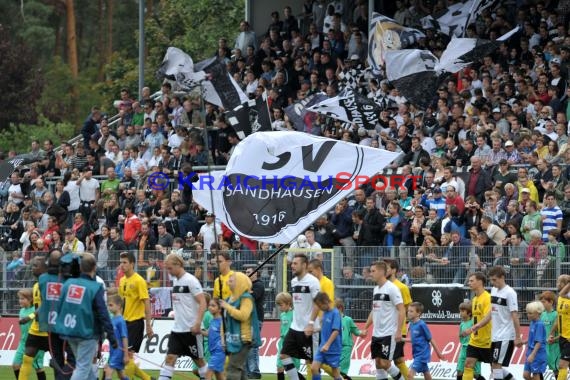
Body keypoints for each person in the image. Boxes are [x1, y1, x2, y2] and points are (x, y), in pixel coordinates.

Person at [54, 253, 117, 380]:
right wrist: (111, 336)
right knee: (82, 367)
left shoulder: (68, 283)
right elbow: (103, 313)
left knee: (85, 366)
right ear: (94, 267)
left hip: (69, 330)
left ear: (81, 267)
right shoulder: (95, 287)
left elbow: (59, 306)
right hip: (87, 332)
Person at [158, 253, 208, 380]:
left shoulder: (191, 280)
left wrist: (197, 323)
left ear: (178, 265)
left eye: (170, 268)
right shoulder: (175, 281)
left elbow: (203, 302)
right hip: (177, 330)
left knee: (199, 361)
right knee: (169, 358)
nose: (168, 271)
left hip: (191, 331)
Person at [280, 254, 320, 380]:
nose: (292, 266)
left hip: (309, 329)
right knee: (284, 355)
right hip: (295, 328)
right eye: (292, 263)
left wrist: (311, 323)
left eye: (295, 263)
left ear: (304, 265)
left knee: (313, 365)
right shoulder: (293, 281)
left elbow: (317, 303)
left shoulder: (313, 281)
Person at [364, 261, 405, 380]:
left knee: (385, 364)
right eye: (370, 271)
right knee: (378, 364)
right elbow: (374, 310)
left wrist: (398, 331)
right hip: (376, 333)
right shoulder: (376, 289)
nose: (370, 274)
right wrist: (366, 328)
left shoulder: (392, 288)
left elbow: (401, 310)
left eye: (373, 271)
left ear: (382, 272)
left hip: (389, 333)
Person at [220, 272, 262, 380]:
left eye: (232, 279)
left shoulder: (246, 298)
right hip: (233, 339)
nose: (228, 281)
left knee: (233, 368)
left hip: (244, 339)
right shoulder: (229, 299)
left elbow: (243, 316)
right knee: (241, 370)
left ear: (240, 282)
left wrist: (228, 307)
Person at [487, 266, 522, 380]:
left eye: (494, 280)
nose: (492, 283)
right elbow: (491, 312)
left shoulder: (510, 293)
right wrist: (477, 326)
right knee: (494, 365)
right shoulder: (493, 290)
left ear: (502, 277)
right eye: (491, 280)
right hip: (494, 335)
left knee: (496, 365)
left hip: (505, 335)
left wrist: (517, 337)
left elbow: (514, 316)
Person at [17, 256, 49, 380]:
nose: (32, 268)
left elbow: (46, 305)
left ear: (44, 268)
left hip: (49, 329)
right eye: (32, 266)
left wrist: (28, 317)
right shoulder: (36, 286)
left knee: (59, 362)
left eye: (35, 266)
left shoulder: (46, 284)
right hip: (36, 329)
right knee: (26, 358)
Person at [118, 251, 153, 354]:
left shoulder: (139, 281)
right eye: (121, 262)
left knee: (129, 356)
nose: (122, 265)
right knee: (124, 357)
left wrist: (148, 325)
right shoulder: (122, 280)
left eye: (125, 262)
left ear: (132, 264)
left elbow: (146, 302)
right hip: (124, 322)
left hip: (135, 324)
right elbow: (121, 303)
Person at [461, 272, 492, 380]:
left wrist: (471, 329)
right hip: (475, 340)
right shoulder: (474, 299)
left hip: (488, 340)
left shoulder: (488, 298)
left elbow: (488, 318)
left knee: (496, 369)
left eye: (471, 281)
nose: (469, 283)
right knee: (468, 365)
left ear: (480, 282)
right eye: (469, 281)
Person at [385, 259, 412, 378]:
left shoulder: (402, 287)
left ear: (394, 270)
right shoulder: (382, 286)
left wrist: (400, 328)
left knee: (394, 361)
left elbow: (406, 308)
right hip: (385, 329)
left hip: (397, 330)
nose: (383, 271)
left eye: (386, 268)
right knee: (397, 360)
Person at [13, 288, 46, 380]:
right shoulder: (22, 311)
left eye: (22, 299)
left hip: (35, 342)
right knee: (15, 365)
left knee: (38, 367)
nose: (20, 301)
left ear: (31, 299)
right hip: (23, 342)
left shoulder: (35, 310)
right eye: (19, 298)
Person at [406, 302, 444, 380]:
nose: (408, 313)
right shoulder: (410, 324)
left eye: (411, 311)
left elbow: (431, 339)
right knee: (426, 373)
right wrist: (402, 339)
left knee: (410, 375)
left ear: (418, 313)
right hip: (416, 354)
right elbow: (414, 340)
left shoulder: (422, 325)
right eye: (408, 311)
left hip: (422, 354)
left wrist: (438, 353)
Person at [311, 292, 342, 380]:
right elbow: (325, 328)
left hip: (333, 348)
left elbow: (335, 331)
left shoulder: (335, 313)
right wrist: (316, 330)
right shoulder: (325, 313)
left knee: (335, 373)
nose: (319, 308)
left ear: (325, 301)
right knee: (314, 368)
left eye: (320, 305)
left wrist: (327, 345)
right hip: (322, 347)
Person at [276, 292, 303, 380]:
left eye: (281, 305)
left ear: (288, 303)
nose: (280, 307)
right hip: (283, 342)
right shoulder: (282, 315)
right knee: (280, 367)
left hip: (292, 343)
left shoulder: (294, 314)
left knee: (292, 369)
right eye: (278, 305)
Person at [336, 298, 365, 380]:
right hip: (335, 347)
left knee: (342, 369)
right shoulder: (332, 320)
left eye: (335, 308)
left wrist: (361, 333)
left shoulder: (348, 320)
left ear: (340, 308)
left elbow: (355, 331)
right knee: (335, 369)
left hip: (346, 347)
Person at [245, 267, 265, 379]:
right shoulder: (249, 286)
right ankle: (248, 371)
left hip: (255, 318)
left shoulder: (259, 285)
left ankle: (254, 371)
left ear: (256, 273)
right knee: (247, 345)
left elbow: (252, 297)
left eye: (249, 272)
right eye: (246, 272)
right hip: (247, 318)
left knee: (253, 345)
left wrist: (246, 292)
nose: (247, 274)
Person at [549, 274, 570, 380]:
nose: (557, 284)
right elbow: (558, 318)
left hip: (569, 337)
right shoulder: (561, 298)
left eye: (559, 282)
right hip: (563, 336)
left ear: (565, 284)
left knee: (562, 365)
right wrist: (552, 332)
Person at [104, 294, 129, 380]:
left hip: (119, 351)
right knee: (121, 375)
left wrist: (126, 354)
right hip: (113, 350)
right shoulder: (113, 319)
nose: (109, 307)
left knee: (108, 371)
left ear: (118, 306)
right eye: (108, 305)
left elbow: (124, 337)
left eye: (111, 305)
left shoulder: (121, 320)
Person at [457, 302, 484, 380]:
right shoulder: (461, 324)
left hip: (473, 349)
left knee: (476, 374)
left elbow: (478, 332)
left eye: (462, 311)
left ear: (469, 313)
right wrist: (461, 335)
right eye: (460, 311)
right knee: (459, 370)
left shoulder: (473, 322)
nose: (460, 313)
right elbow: (460, 336)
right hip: (464, 349)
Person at [523, 301, 547, 380]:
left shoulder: (539, 324)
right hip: (530, 351)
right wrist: (523, 342)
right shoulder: (532, 323)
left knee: (536, 376)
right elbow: (531, 338)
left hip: (537, 353)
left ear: (538, 313)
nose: (528, 315)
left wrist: (533, 354)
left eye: (530, 313)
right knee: (526, 375)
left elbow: (538, 342)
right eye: (527, 313)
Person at [540, 291, 560, 378]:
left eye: (544, 302)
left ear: (551, 302)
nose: (542, 304)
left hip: (554, 348)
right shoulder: (542, 315)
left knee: (556, 370)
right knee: (538, 369)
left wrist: (554, 339)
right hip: (543, 347)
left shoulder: (556, 315)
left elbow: (562, 334)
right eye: (541, 302)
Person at [203, 298, 225, 380]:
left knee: (208, 374)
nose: (210, 307)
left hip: (219, 351)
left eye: (213, 306)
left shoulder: (222, 321)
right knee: (219, 376)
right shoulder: (212, 320)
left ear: (219, 309)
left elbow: (225, 335)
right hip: (213, 351)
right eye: (209, 305)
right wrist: (198, 331)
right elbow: (208, 334)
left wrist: (223, 345)